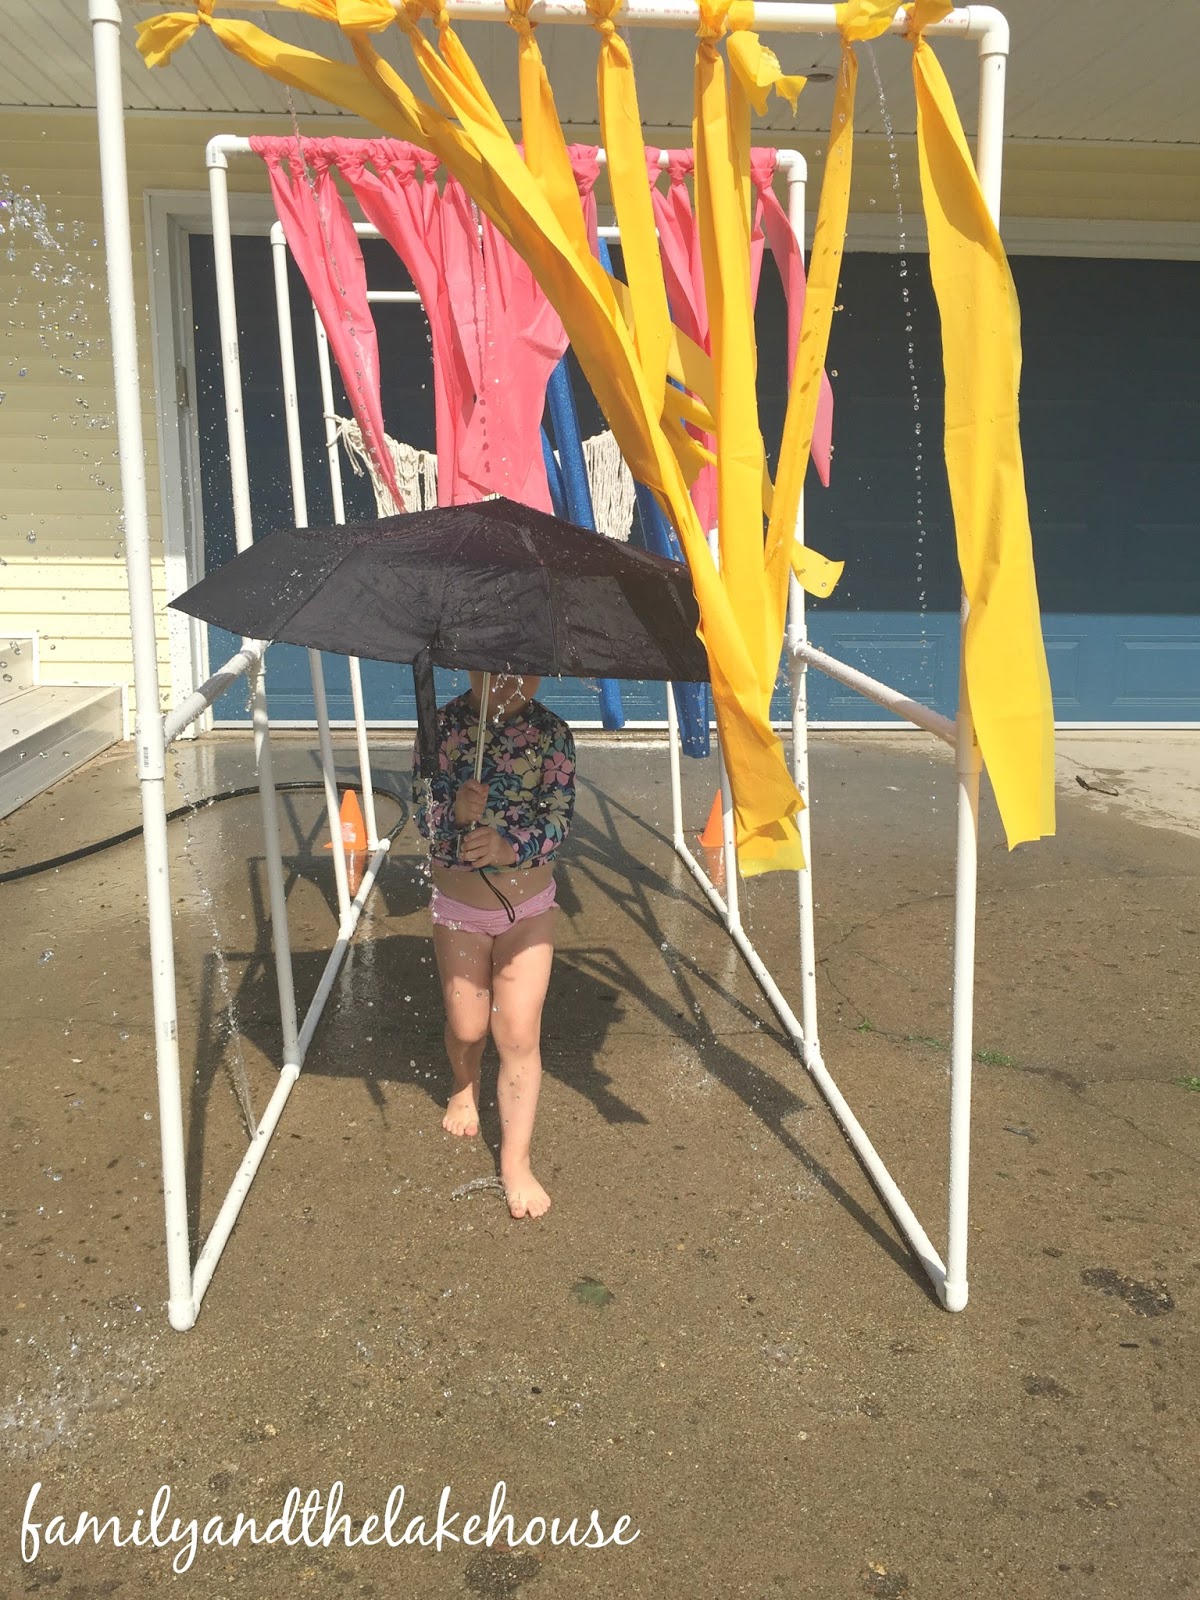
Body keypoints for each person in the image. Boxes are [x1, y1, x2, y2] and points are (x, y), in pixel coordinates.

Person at [413, 671, 575, 1219]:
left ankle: (516, 1161)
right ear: (469, 666)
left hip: (527, 909)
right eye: (493, 666)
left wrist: (512, 846)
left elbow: (559, 817)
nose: (510, 680)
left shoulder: (552, 732)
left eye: (523, 667)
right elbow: (420, 815)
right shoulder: (441, 729)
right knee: (467, 1027)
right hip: (460, 909)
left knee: (518, 1033)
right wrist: (454, 815)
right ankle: (464, 1084)